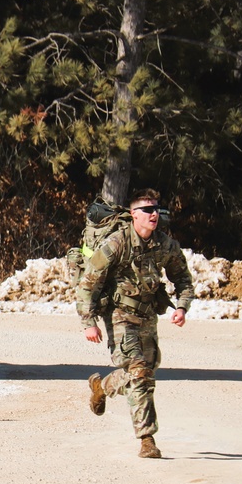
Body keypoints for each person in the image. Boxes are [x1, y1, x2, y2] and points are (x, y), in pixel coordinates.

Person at [77, 188, 195, 458]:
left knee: (147, 371)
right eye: (147, 210)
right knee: (139, 371)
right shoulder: (117, 243)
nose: (154, 214)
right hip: (119, 314)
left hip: (148, 314)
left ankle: (102, 387)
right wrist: (88, 322)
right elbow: (88, 284)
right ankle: (147, 439)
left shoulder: (165, 244)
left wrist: (182, 306)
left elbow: (184, 279)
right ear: (133, 215)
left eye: (156, 209)